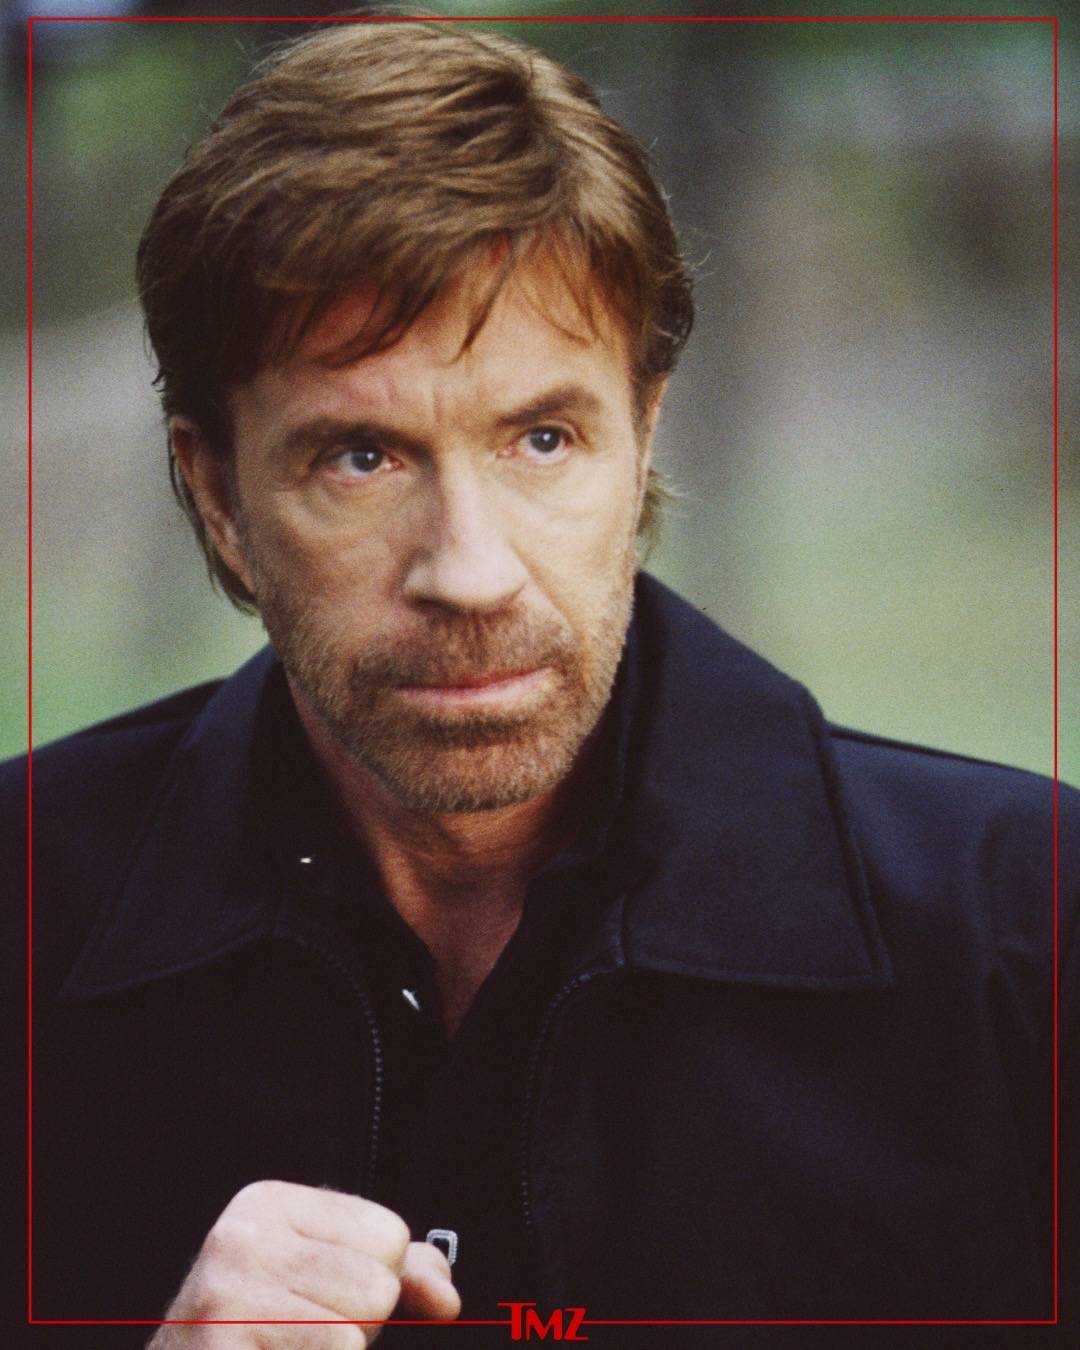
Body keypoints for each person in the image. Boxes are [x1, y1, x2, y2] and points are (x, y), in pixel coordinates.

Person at [5, 17, 1077, 1349]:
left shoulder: (1025, 930)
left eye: (544, 438)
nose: (471, 571)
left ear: (644, 440)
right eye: (361, 457)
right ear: (218, 496)